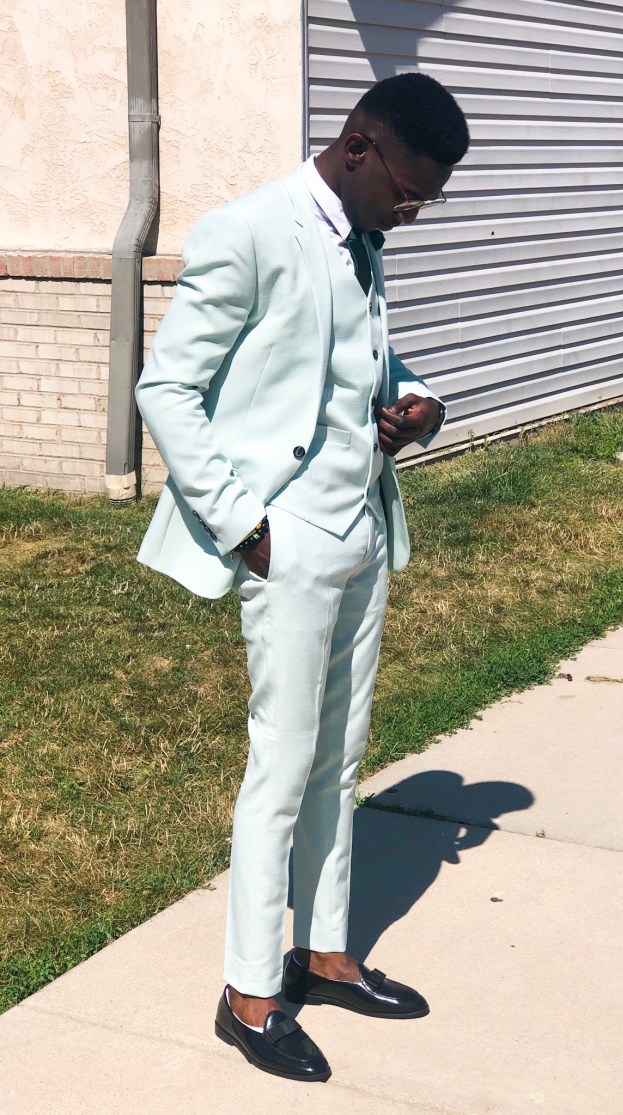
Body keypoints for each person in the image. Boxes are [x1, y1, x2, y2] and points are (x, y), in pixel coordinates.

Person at [135, 72, 470, 1083]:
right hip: (285, 538)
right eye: (406, 194)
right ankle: (248, 991)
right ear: (358, 145)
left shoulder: (362, 238)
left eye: (424, 203)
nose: (410, 215)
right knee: (281, 765)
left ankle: (323, 953)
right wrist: (245, 525)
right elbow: (167, 386)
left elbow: (362, 360)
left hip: (362, 528)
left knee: (340, 755)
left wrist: (418, 402)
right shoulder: (248, 231)